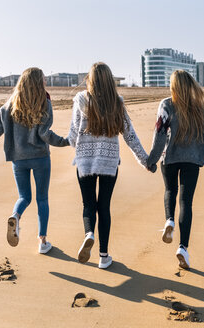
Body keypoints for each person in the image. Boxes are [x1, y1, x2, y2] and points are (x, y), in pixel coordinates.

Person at [0, 67, 69, 254]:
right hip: (40, 158)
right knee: (42, 199)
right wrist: (65, 141)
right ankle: (42, 242)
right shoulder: (44, 102)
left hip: (18, 159)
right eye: (44, 79)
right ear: (39, 82)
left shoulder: (9, 106)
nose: (46, 81)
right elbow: (45, 134)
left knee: (24, 197)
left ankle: (15, 216)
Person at [68, 62, 154, 269]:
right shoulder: (117, 103)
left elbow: (72, 136)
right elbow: (130, 136)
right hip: (109, 163)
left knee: (88, 205)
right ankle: (104, 256)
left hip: (85, 162)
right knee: (103, 206)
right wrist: (146, 161)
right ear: (110, 81)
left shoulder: (80, 100)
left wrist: (71, 144)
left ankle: (89, 234)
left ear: (90, 80)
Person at [146, 70, 204, 270]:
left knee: (169, 191)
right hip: (192, 159)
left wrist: (151, 160)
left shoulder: (166, 104)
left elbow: (159, 134)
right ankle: (183, 247)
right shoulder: (198, 107)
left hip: (170, 158)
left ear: (173, 86)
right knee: (186, 202)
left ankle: (169, 221)